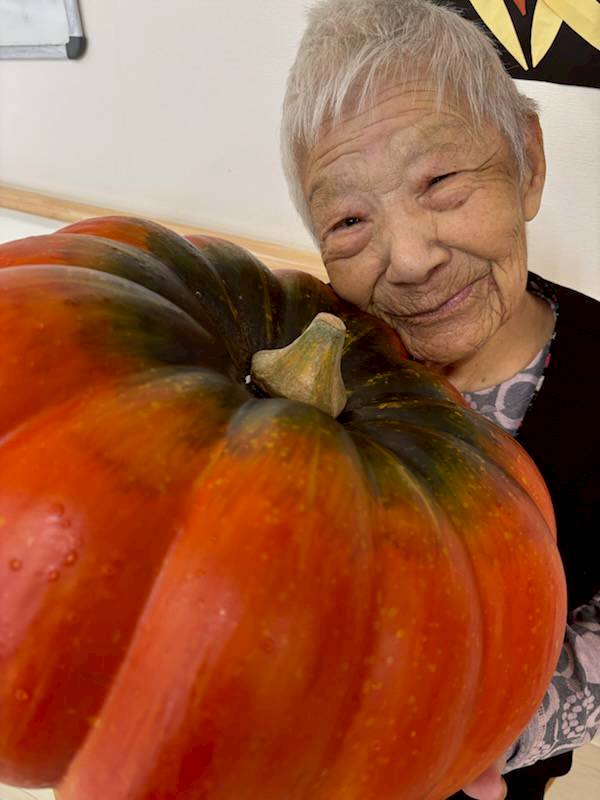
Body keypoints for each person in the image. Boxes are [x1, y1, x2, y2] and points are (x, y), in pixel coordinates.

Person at [280, 1, 600, 798]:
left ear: (526, 159)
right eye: (349, 219)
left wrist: (451, 747)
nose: (411, 259)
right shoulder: (296, 367)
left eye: (442, 181)